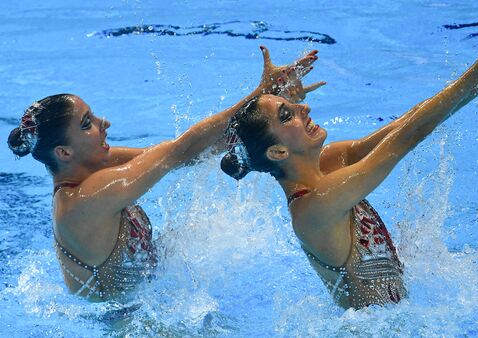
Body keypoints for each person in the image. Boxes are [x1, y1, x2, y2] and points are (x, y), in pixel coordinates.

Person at [220, 20, 478, 309]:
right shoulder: (311, 212)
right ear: (277, 153)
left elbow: (408, 122)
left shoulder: (331, 161)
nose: (303, 108)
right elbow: (408, 137)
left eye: (293, 104)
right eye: (287, 115)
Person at [7, 46, 325, 302]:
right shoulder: (87, 199)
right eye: (87, 123)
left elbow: (189, 154)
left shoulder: (97, 166)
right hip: (129, 322)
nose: (104, 123)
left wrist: (268, 121)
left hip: (149, 298)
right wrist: (258, 98)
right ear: (64, 152)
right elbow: (178, 152)